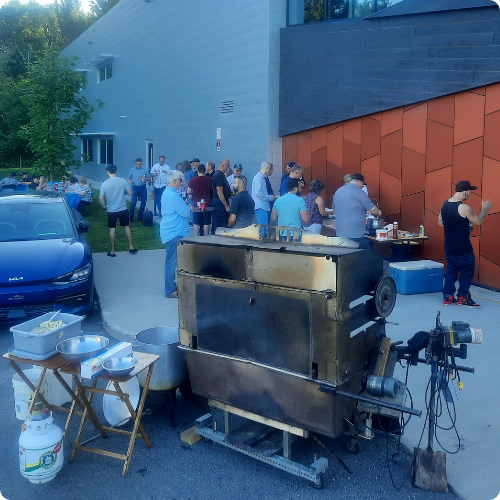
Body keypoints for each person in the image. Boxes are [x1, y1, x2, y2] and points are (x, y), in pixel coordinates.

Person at [439, 181, 493, 307]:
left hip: (449, 247)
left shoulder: (444, 204)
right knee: (466, 272)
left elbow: (441, 222)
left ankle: (448, 297)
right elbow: (478, 222)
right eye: (469, 192)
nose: (469, 194)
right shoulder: (465, 207)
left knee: (451, 271)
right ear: (465, 192)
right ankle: (463, 298)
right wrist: (484, 208)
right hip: (463, 248)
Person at [160, 170, 193, 298]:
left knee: (172, 261)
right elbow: (184, 212)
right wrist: (189, 208)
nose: (182, 182)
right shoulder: (173, 195)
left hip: (171, 231)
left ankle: (172, 286)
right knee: (172, 262)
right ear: (174, 181)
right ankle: (169, 290)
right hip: (175, 233)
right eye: (180, 179)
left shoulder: (167, 192)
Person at [333, 173, 381, 250]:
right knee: (363, 255)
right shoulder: (359, 192)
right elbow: (373, 210)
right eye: (362, 185)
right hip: (355, 233)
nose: (362, 187)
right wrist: (378, 212)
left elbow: (334, 208)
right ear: (360, 182)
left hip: (340, 232)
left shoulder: (338, 191)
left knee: (345, 256)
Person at [99, 165, 137, 257]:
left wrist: (105, 207)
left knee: (112, 229)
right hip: (122, 208)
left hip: (111, 210)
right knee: (127, 227)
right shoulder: (123, 180)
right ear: (116, 171)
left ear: (108, 172)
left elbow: (101, 198)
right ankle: (131, 247)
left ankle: (112, 251)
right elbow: (130, 192)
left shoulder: (105, 183)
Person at [187, 164, 212, 236]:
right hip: (207, 203)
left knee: (196, 222)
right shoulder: (209, 179)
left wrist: (193, 191)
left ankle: (196, 237)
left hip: (196, 202)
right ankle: (206, 236)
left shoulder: (193, 180)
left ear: (198, 171)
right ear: (205, 170)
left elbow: (189, 191)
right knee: (206, 222)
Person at [211, 158, 231, 233]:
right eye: (228, 165)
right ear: (223, 165)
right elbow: (219, 192)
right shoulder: (219, 175)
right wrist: (226, 205)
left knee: (222, 222)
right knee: (220, 223)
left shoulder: (221, 175)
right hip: (220, 203)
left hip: (221, 202)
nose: (229, 167)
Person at [127, 158, 150, 222]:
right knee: (133, 202)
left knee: (143, 203)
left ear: (141, 163)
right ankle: (131, 218)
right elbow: (129, 177)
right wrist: (129, 181)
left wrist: (145, 178)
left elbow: (149, 178)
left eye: (140, 164)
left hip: (143, 187)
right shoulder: (132, 170)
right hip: (135, 187)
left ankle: (140, 217)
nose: (138, 165)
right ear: (135, 164)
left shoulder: (145, 170)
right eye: (137, 164)